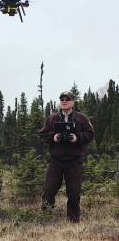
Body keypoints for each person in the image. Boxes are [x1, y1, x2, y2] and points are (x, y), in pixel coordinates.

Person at [40, 91, 95, 222]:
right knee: (48, 190)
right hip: (56, 161)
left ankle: (73, 220)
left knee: (74, 192)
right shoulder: (52, 118)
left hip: (74, 161)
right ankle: (46, 218)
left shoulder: (81, 118)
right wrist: (54, 137)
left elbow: (90, 133)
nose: (64, 101)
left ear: (73, 102)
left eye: (67, 99)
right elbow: (42, 135)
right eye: (62, 99)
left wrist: (77, 137)